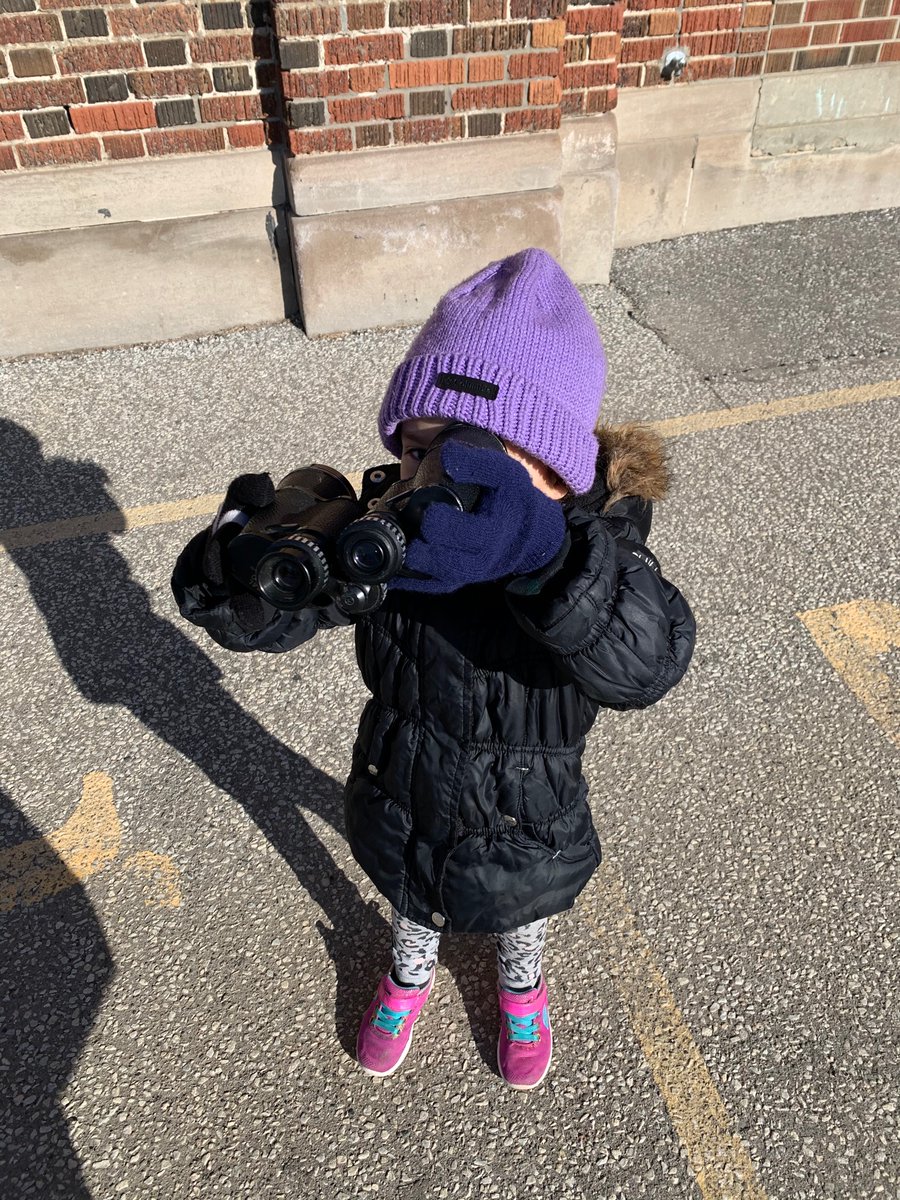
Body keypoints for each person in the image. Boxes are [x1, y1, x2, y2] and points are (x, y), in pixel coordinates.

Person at [172, 248, 696, 1090]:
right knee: (412, 900)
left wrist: (543, 559)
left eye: (474, 457)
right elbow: (283, 618)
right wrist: (241, 577)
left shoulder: (596, 552)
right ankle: (409, 972)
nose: (430, 480)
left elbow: (646, 662)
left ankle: (521, 987)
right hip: (406, 783)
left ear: (559, 472)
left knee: (521, 914)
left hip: (528, 811)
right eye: (419, 451)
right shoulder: (398, 541)